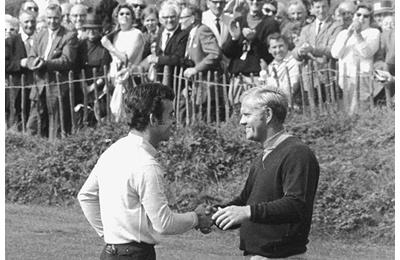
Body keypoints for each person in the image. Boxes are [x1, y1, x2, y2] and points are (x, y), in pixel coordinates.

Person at [78, 82, 214, 260]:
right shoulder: (146, 164)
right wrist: (196, 218)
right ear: (153, 119)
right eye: (170, 115)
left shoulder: (113, 151)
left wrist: (112, 237)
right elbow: (164, 224)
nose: (174, 121)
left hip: (111, 253)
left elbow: (86, 196)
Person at [211, 86, 320, 259]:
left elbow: (296, 204)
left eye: (247, 115)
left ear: (267, 115)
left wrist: (247, 212)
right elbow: (245, 202)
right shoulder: (262, 157)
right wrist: (212, 215)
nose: (241, 122)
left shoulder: (297, 153)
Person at [26, 3, 78, 139]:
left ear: (61, 18)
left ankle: (53, 154)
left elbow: (67, 60)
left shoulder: (69, 36)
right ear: (45, 18)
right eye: (49, 18)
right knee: (33, 123)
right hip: (39, 85)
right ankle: (31, 152)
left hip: (57, 86)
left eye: (55, 18)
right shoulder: (40, 35)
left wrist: (45, 63)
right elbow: (31, 56)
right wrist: (33, 63)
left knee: (55, 126)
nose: (52, 21)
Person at [222, 0, 280, 104]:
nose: (255, 2)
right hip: (237, 78)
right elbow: (227, 52)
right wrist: (235, 38)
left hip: (257, 78)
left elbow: (271, 54)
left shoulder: (271, 24)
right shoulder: (238, 21)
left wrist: (255, 40)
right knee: (236, 112)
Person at [331, 3, 380, 114]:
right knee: (345, 114)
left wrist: (358, 35)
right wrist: (348, 33)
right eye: (358, 15)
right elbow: (335, 54)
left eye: (366, 16)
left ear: (370, 19)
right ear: (353, 16)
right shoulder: (343, 33)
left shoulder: (374, 33)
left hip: (361, 78)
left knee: (358, 113)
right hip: (344, 78)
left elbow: (367, 53)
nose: (361, 18)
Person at [101, 3, 145, 121]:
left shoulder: (136, 34)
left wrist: (109, 47)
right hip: (115, 77)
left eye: (128, 13)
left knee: (130, 112)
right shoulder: (116, 34)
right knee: (116, 113)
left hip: (130, 78)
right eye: (121, 14)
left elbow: (127, 59)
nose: (124, 16)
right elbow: (113, 59)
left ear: (132, 17)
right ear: (117, 17)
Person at [292, 0, 342, 102]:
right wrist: (300, 52)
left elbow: (332, 50)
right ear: (313, 8)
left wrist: (313, 49)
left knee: (329, 109)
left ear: (329, 7)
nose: (321, 10)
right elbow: (296, 50)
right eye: (318, 7)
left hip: (327, 76)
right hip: (309, 78)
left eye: (324, 7)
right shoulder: (306, 29)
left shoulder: (336, 27)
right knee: (310, 111)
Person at [75, 14, 112, 125]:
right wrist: (84, 86)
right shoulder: (81, 45)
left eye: (94, 29)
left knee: (99, 118)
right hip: (81, 88)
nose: (91, 32)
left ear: (99, 30)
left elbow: (104, 71)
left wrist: (91, 88)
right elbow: (78, 67)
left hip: (99, 89)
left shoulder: (104, 47)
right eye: (88, 29)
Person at [5, 9, 37, 129]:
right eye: (26, 22)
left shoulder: (41, 40)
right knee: (18, 122)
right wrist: (20, 63)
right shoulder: (10, 42)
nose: (30, 25)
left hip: (36, 88)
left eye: (32, 21)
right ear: (20, 23)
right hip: (18, 90)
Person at [261, 33, 301, 108]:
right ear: (269, 50)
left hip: (292, 108)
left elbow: (289, 90)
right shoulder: (270, 66)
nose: (278, 50)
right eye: (274, 47)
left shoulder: (294, 62)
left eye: (281, 46)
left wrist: (268, 81)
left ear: (287, 46)